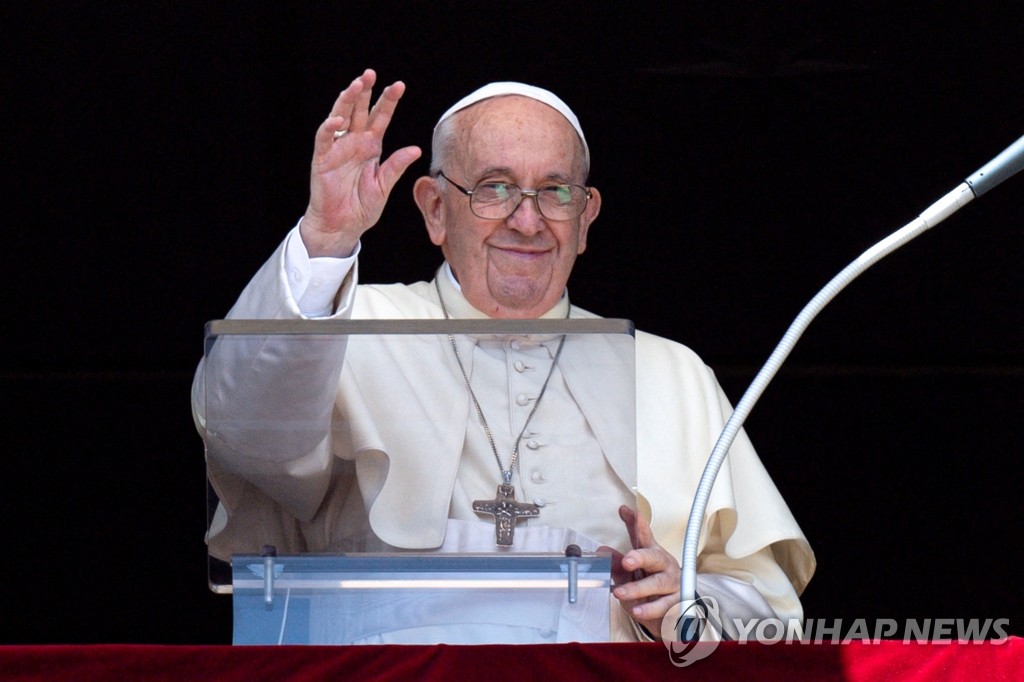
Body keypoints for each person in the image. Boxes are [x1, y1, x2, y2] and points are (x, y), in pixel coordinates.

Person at [192, 69, 815, 642]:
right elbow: (246, 437)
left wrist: (683, 600)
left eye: (555, 191)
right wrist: (326, 239)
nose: (527, 220)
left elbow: (768, 614)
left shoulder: (670, 372)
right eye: (494, 188)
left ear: (587, 216)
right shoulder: (345, 324)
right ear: (435, 209)